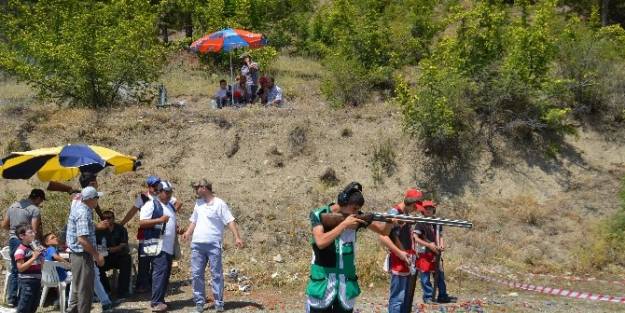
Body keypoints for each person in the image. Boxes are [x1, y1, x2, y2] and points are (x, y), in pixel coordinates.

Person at [305, 182, 395, 313]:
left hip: (345, 285)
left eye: (358, 209)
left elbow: (383, 231)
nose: (357, 212)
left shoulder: (356, 217)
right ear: (343, 202)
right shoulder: (319, 214)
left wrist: (390, 222)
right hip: (323, 283)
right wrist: (344, 225)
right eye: (354, 209)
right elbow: (320, 242)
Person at [182, 179, 245, 313]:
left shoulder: (219, 204)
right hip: (197, 244)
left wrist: (237, 237)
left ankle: (218, 303)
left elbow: (230, 221)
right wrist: (187, 233)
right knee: (197, 274)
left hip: (213, 244)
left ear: (204, 188)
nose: (195, 190)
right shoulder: (198, 203)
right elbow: (194, 221)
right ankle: (199, 302)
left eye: (197, 188)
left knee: (216, 274)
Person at [119, 175, 181, 293]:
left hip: (160, 232)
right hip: (146, 231)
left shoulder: (164, 196)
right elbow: (132, 212)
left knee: (158, 258)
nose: (156, 188)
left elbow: (178, 203)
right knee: (144, 258)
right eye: (154, 186)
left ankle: (154, 284)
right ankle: (142, 284)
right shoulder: (143, 198)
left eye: (157, 185)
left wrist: (171, 215)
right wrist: (121, 223)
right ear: (149, 186)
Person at [379, 188, 424, 313]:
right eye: (415, 206)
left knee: (406, 297)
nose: (416, 209)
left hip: (406, 257)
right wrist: (402, 253)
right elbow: (391, 236)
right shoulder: (394, 212)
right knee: (398, 297)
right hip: (399, 258)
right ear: (409, 202)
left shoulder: (406, 213)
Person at [139, 181, 179, 312]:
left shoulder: (170, 206)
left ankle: (161, 300)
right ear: (159, 192)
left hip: (168, 246)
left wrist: (177, 229)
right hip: (157, 245)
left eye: (170, 192)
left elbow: (169, 223)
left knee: (165, 273)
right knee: (159, 273)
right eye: (166, 192)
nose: (168, 195)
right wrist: (159, 220)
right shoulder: (151, 204)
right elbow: (142, 223)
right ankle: (156, 302)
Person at [2, 188, 45, 307]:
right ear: (38, 198)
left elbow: (4, 225)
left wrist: (14, 232)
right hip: (26, 242)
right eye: (41, 201)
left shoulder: (13, 206)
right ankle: (23, 299)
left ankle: (11, 299)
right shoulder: (34, 209)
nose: (40, 204)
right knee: (27, 270)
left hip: (12, 240)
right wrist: (37, 245)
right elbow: (34, 230)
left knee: (15, 270)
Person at [66, 186, 106, 313]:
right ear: (91, 199)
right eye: (97, 197)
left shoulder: (84, 209)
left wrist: (96, 226)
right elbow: (82, 239)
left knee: (78, 288)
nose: (98, 200)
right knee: (85, 291)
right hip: (82, 255)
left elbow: (84, 229)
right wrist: (96, 255)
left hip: (79, 255)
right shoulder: (83, 212)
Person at [413, 201, 457, 304]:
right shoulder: (420, 222)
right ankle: (428, 297)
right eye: (426, 208)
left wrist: (441, 244)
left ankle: (442, 295)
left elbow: (440, 236)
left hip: (436, 253)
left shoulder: (437, 222)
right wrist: (428, 245)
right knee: (425, 277)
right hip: (424, 253)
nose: (428, 210)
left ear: (433, 210)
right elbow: (415, 238)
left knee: (440, 275)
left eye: (430, 208)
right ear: (423, 210)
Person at [96, 210, 132, 298]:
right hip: (105, 256)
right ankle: (106, 290)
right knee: (96, 264)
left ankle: (123, 291)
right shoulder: (98, 231)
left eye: (109, 218)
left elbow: (123, 245)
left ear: (113, 218)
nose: (107, 220)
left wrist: (111, 249)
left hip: (119, 255)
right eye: (104, 218)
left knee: (126, 259)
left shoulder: (121, 229)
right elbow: (97, 245)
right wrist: (108, 250)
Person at [14, 224, 43, 313]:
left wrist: (41, 256)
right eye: (30, 232)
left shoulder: (33, 248)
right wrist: (33, 258)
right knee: (24, 307)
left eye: (33, 232)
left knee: (33, 306)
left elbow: (40, 265)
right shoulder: (20, 250)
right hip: (27, 282)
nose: (33, 234)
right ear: (22, 236)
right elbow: (20, 268)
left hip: (37, 280)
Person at [43, 232, 71, 309]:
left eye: (55, 236)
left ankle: (60, 299)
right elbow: (55, 256)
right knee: (77, 276)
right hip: (60, 277)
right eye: (52, 238)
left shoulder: (46, 250)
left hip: (49, 276)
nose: (55, 238)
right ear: (47, 242)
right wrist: (67, 263)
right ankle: (69, 299)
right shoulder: (51, 248)